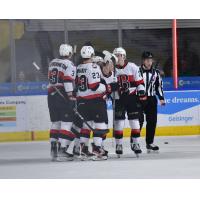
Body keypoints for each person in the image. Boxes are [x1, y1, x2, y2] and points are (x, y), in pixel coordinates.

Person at [76, 45, 109, 160]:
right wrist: (108, 87)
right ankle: (96, 149)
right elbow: (95, 86)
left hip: (82, 101)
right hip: (94, 101)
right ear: (91, 55)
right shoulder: (93, 67)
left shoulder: (79, 67)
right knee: (100, 124)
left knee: (86, 125)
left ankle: (83, 149)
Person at [112, 47, 146, 157]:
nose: (118, 57)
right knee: (119, 123)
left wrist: (141, 91)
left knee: (134, 122)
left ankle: (136, 144)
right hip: (118, 99)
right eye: (116, 55)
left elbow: (140, 82)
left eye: (120, 55)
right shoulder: (112, 69)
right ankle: (119, 145)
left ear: (124, 56)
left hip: (131, 98)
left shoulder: (132, 67)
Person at [47, 44, 76, 161]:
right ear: (69, 53)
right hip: (62, 94)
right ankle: (62, 150)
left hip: (51, 95)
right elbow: (68, 81)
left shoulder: (52, 62)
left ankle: (53, 148)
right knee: (66, 123)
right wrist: (71, 96)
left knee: (56, 122)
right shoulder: (69, 64)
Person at [139, 51, 165, 152]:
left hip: (151, 99)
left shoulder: (156, 73)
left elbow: (159, 87)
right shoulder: (137, 71)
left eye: (150, 60)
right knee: (138, 121)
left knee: (152, 121)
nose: (149, 62)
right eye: (147, 60)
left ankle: (149, 142)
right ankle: (135, 141)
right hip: (139, 99)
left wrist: (161, 98)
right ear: (143, 61)